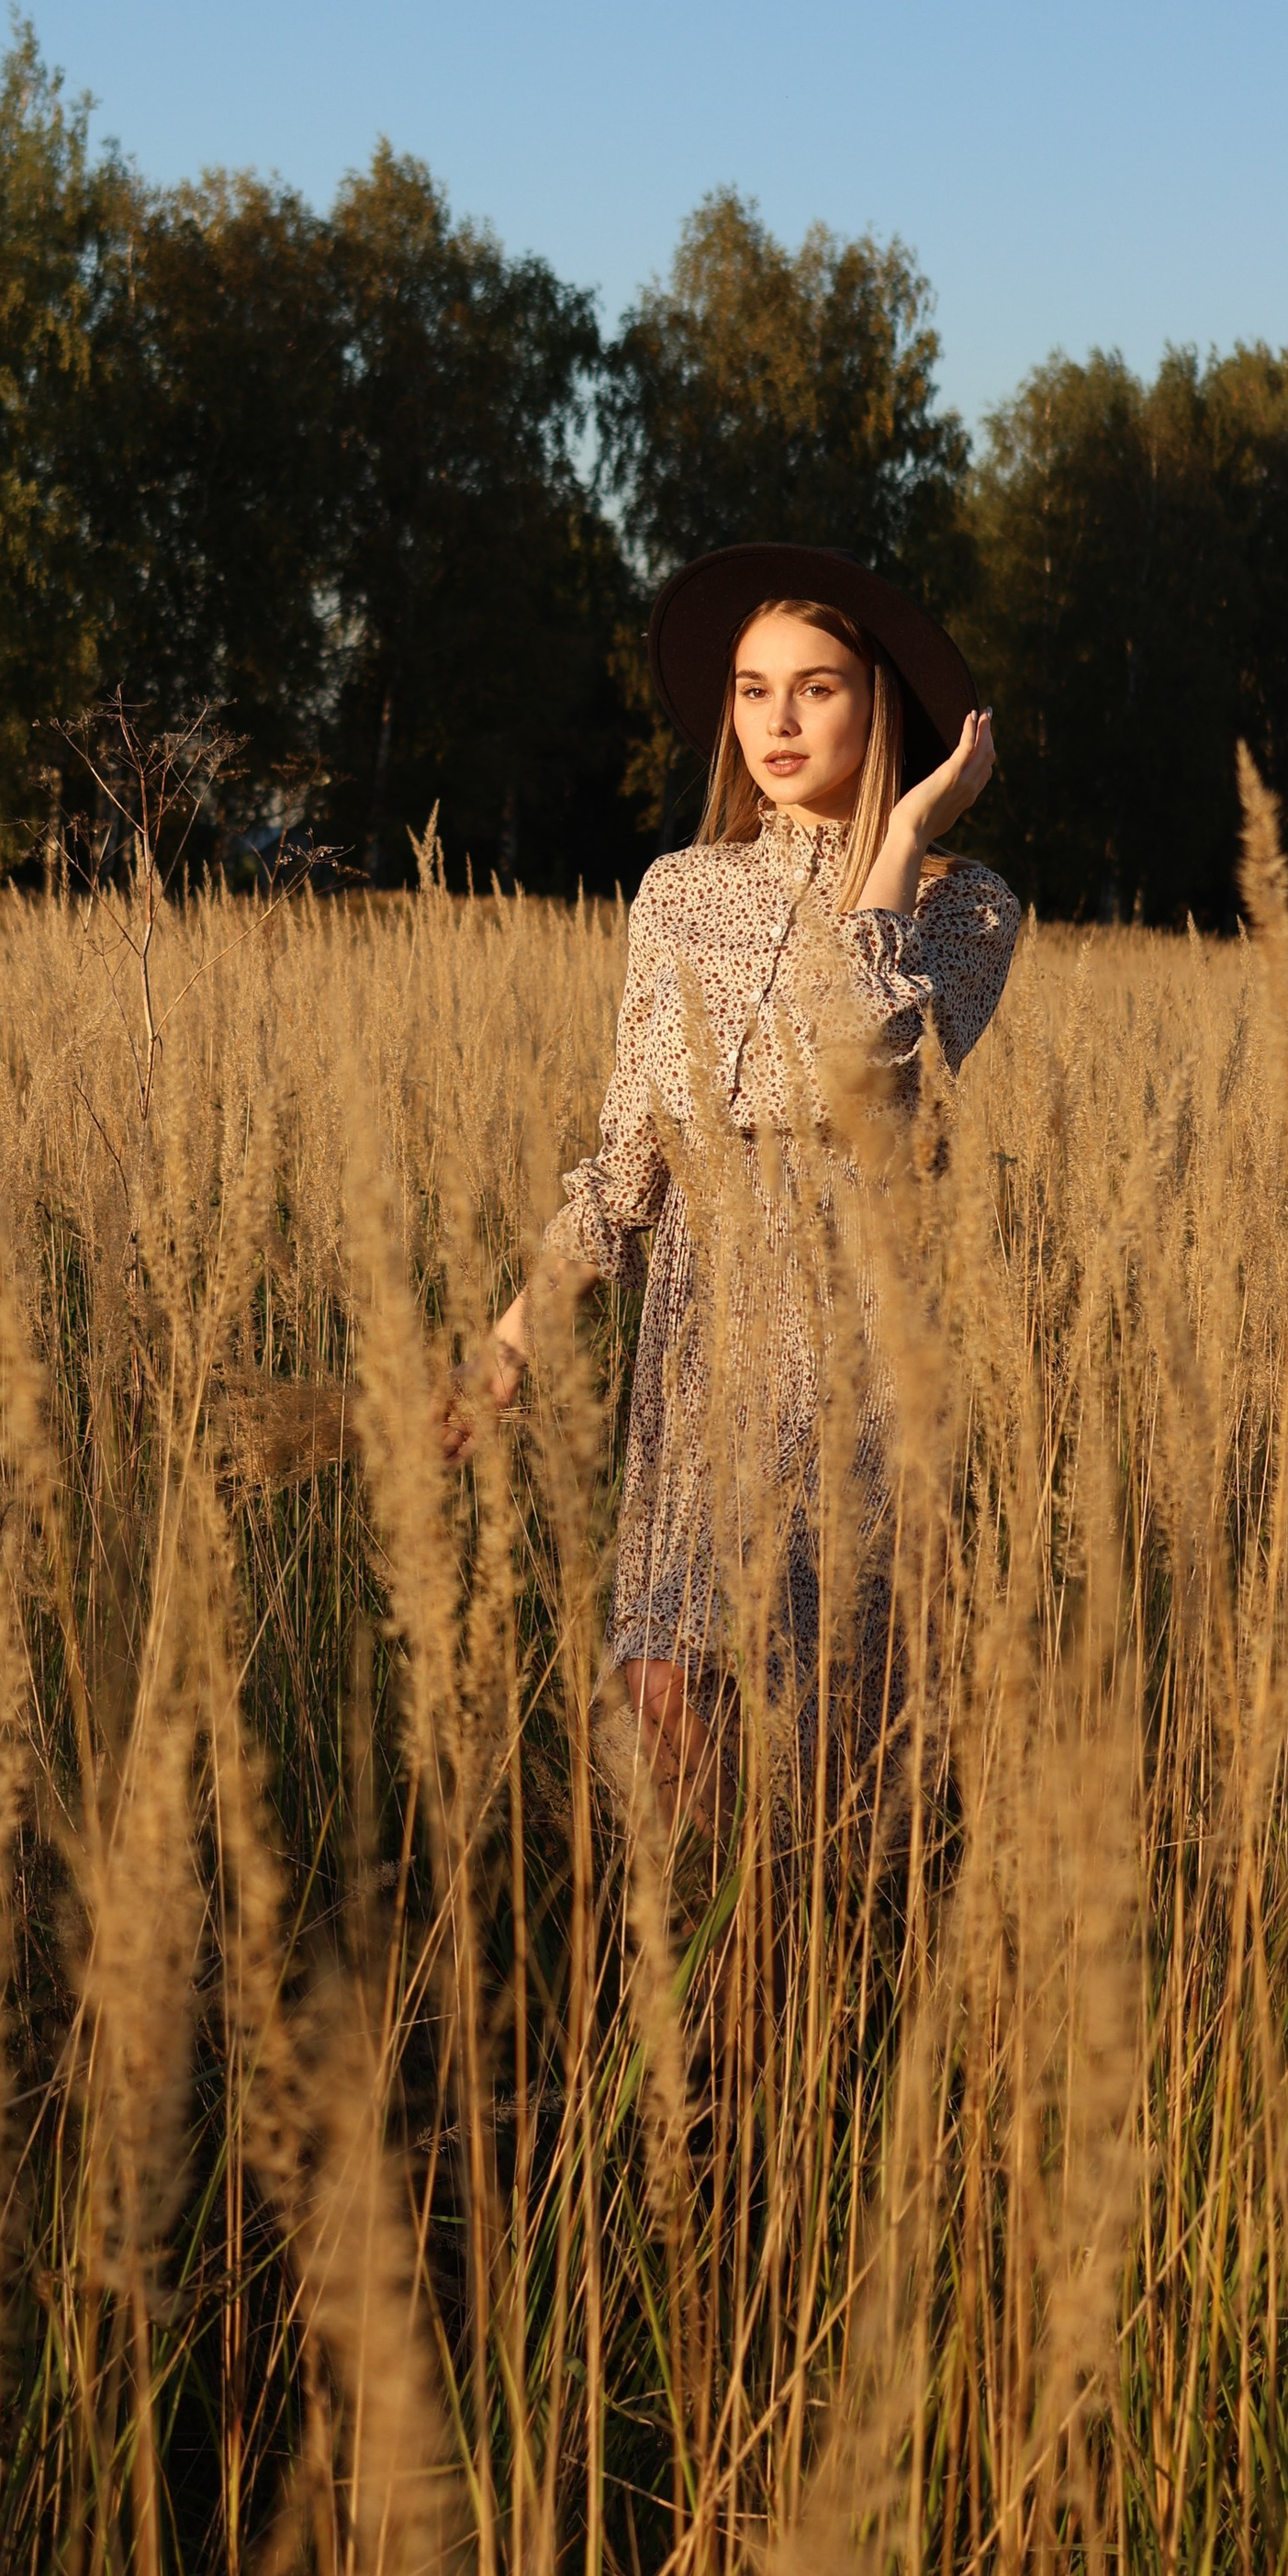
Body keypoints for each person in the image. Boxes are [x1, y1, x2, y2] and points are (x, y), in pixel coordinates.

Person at [449, 543, 1021, 1826]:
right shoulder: (682, 894)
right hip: (702, 1339)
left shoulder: (966, 908)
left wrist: (907, 832)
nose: (779, 721)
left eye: (817, 688)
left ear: (881, 709)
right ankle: (715, 1918)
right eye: (754, 690)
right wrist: (510, 1345)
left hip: (859, 1343)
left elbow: (857, 1061)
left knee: (821, 1718)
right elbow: (627, 1158)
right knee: (660, 1687)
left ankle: (810, 1929)